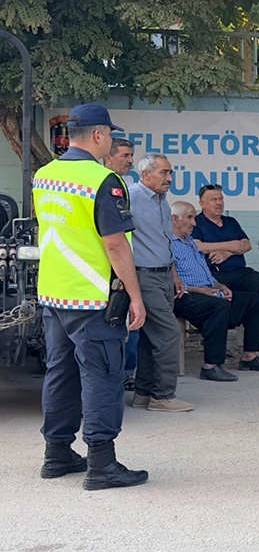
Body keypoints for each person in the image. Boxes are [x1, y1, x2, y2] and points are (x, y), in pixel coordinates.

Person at [32, 103, 148, 490]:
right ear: (99, 135)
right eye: (111, 135)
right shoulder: (103, 181)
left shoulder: (44, 175)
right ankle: (101, 463)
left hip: (55, 294)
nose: (113, 141)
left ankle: (57, 454)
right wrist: (135, 295)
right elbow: (115, 244)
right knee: (102, 377)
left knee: (60, 375)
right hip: (94, 299)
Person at [171, 202, 259, 379]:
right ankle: (211, 366)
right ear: (174, 219)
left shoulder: (190, 242)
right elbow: (172, 281)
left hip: (207, 290)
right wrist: (203, 291)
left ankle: (249, 357)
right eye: (190, 217)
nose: (194, 223)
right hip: (186, 295)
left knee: (255, 301)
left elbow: (205, 273)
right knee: (219, 306)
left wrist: (220, 286)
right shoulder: (166, 244)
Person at [128, 153, 197, 411]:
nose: (169, 178)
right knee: (169, 333)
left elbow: (166, 241)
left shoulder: (162, 201)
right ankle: (163, 396)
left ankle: (144, 393)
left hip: (164, 274)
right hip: (143, 275)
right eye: (164, 173)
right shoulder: (131, 197)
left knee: (150, 337)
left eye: (170, 173)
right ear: (145, 175)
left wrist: (175, 274)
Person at [193, 184, 259, 356]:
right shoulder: (197, 223)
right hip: (214, 275)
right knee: (225, 296)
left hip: (238, 271)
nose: (219, 203)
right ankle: (218, 339)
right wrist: (231, 245)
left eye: (221, 199)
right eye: (213, 199)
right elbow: (197, 246)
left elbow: (247, 245)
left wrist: (226, 253)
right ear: (202, 204)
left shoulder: (231, 222)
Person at [105, 138, 139, 383]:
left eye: (131, 155)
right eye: (125, 155)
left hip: (126, 263)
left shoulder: (128, 184)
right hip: (105, 268)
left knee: (131, 326)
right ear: (109, 157)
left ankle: (127, 373)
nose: (130, 160)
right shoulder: (101, 184)